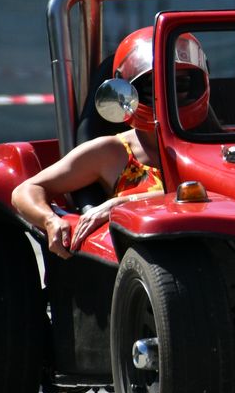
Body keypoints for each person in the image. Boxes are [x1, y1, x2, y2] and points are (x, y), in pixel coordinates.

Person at [12, 27, 210, 258]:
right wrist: (50, 221)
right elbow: (25, 190)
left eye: (181, 84)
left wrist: (118, 204)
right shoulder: (113, 151)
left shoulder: (219, 147)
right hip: (144, 261)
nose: (168, 95)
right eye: (152, 85)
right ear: (128, 91)